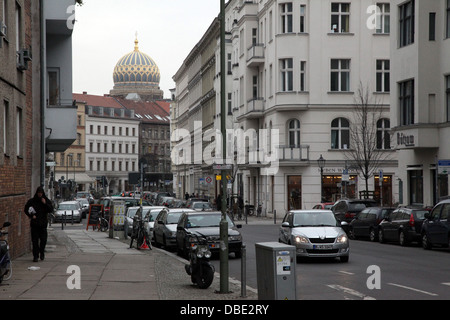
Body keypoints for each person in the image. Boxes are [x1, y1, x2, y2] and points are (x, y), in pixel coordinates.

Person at [24, 186, 53, 262]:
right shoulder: (32, 201)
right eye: (38, 193)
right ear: (36, 193)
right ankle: (35, 256)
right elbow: (26, 209)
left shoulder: (46, 200)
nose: (39, 194)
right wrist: (31, 216)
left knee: (43, 240)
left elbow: (50, 209)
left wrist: (45, 203)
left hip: (43, 224)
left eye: (41, 193)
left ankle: (42, 252)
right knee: (35, 241)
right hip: (35, 224)